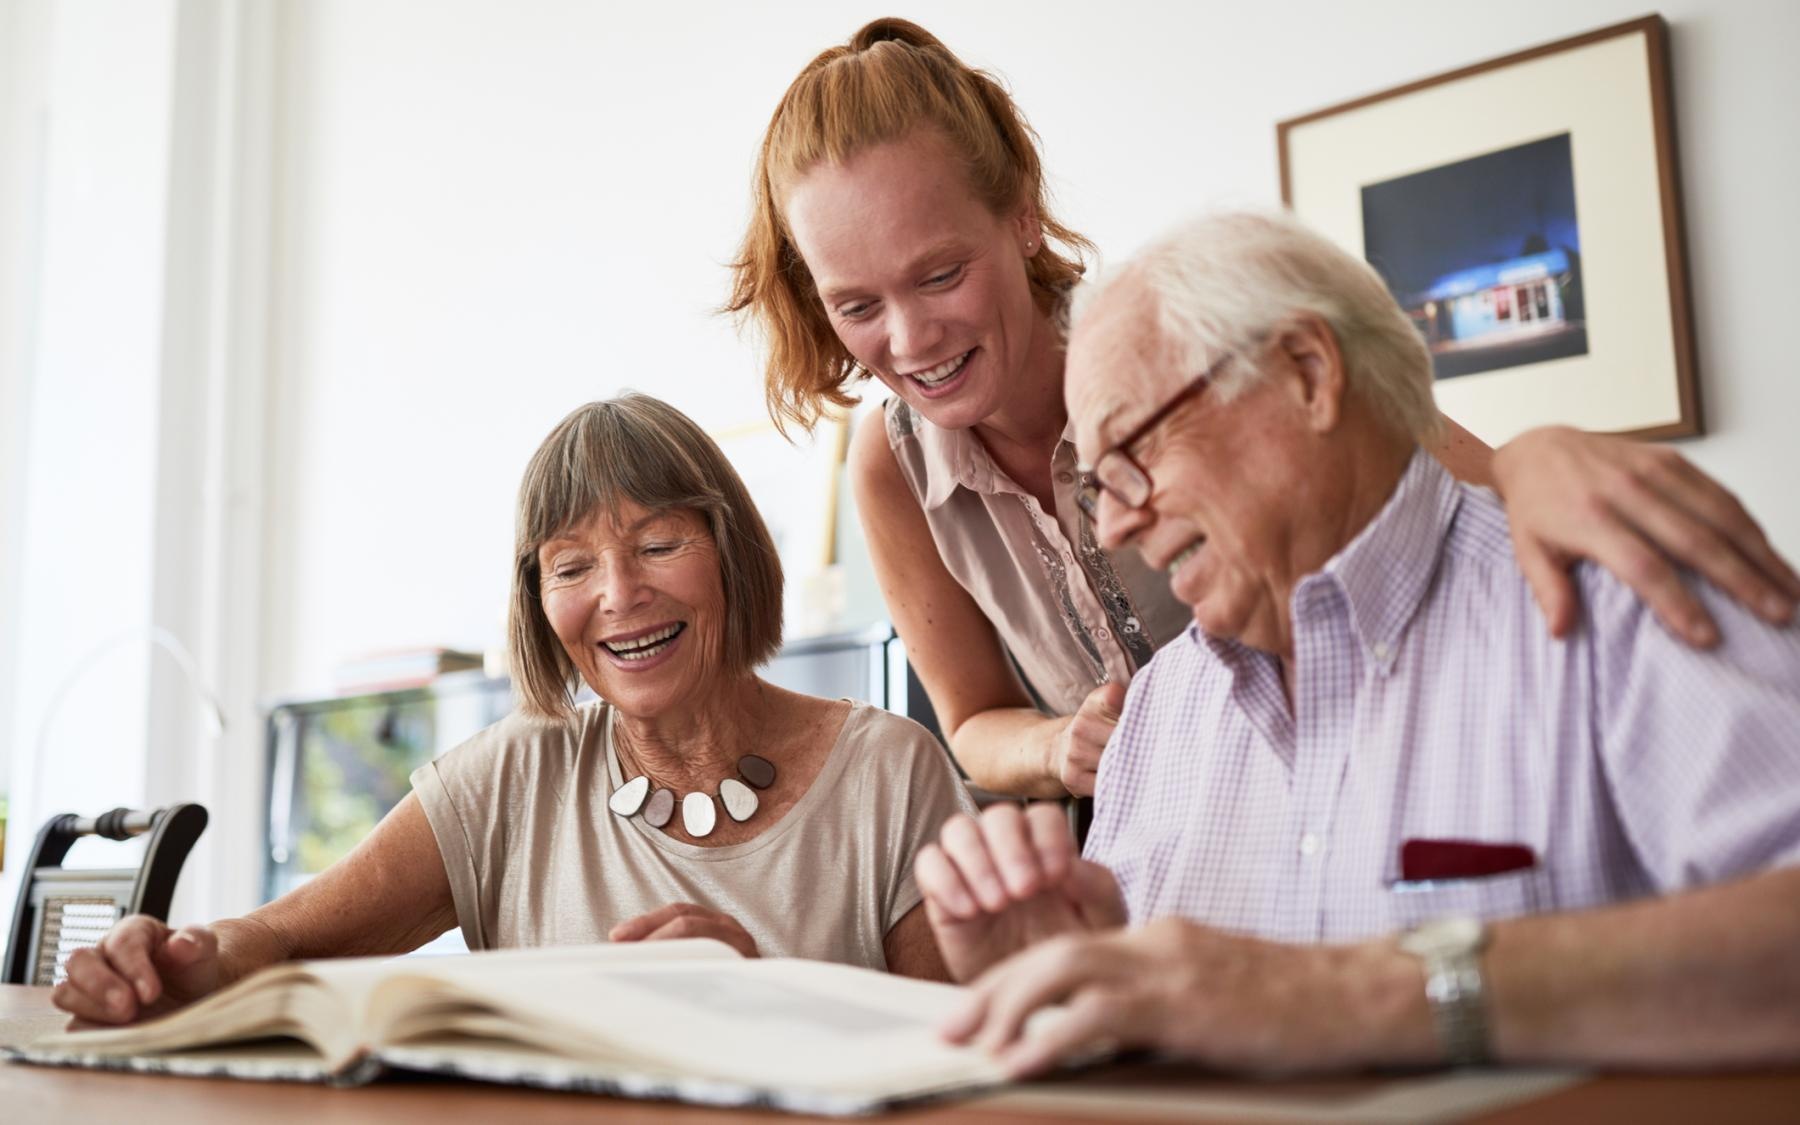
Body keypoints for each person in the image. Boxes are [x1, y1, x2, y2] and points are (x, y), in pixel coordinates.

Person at [727, 18, 1800, 800]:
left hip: (1359, 750)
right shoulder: (890, 462)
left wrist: (1547, 456)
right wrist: (1062, 749)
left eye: (941, 274)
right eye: (857, 304)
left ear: (1019, 216)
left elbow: (1449, 467)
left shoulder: (1175, 336)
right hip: (1153, 820)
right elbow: (967, 723)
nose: (909, 342)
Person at [912, 210, 1800, 1075]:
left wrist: (1358, 994)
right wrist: (1073, 980)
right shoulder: (1159, 709)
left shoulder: (1619, 593)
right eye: (1099, 485)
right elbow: (1174, 1003)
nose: (1112, 527)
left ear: (1306, 372)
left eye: (1133, 456)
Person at [53, 395, 973, 1026]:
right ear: (539, 599)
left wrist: (770, 1005)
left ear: (730, 553)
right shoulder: (512, 774)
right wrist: (174, 959)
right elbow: (282, 939)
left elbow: (968, 1064)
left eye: (658, 543)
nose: (619, 593)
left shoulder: (892, 770)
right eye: (571, 567)